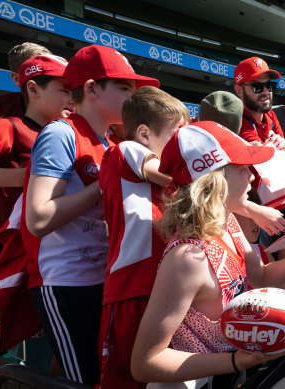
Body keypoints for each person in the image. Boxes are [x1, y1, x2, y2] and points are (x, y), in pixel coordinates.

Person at [131, 121, 285, 388]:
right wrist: (234, 362)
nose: (253, 178)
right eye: (244, 169)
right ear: (214, 181)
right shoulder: (186, 259)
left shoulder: (227, 223)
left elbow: (262, 276)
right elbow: (145, 363)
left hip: (229, 375)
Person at [22, 44, 159, 386]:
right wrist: (104, 185)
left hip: (102, 281)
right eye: (124, 88)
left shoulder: (111, 143)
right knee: (85, 380)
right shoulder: (61, 133)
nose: (133, 96)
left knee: (100, 375)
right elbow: (38, 219)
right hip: (64, 281)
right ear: (91, 88)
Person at [97, 86, 189, 389]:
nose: (184, 145)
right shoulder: (124, 150)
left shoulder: (176, 186)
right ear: (145, 134)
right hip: (131, 290)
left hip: (165, 294)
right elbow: (161, 171)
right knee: (124, 381)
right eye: (178, 136)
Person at [0, 54, 71, 254]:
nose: (73, 99)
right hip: (16, 253)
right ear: (33, 89)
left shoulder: (70, 134)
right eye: (65, 91)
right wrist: (29, 177)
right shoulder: (6, 127)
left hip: (60, 251)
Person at [197, 90, 285, 237]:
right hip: (205, 233)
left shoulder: (189, 140)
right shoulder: (193, 152)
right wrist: (252, 209)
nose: (251, 176)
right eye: (241, 169)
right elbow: (209, 193)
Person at [0, 42, 52, 126]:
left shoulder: (64, 106)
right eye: (35, 71)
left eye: (49, 70)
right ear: (16, 78)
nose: (48, 78)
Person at [234, 57, 285, 150]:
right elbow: (264, 159)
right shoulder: (237, 121)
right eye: (257, 87)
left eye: (269, 85)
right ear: (239, 91)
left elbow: (282, 149)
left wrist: (282, 143)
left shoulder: (270, 114)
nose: (266, 92)